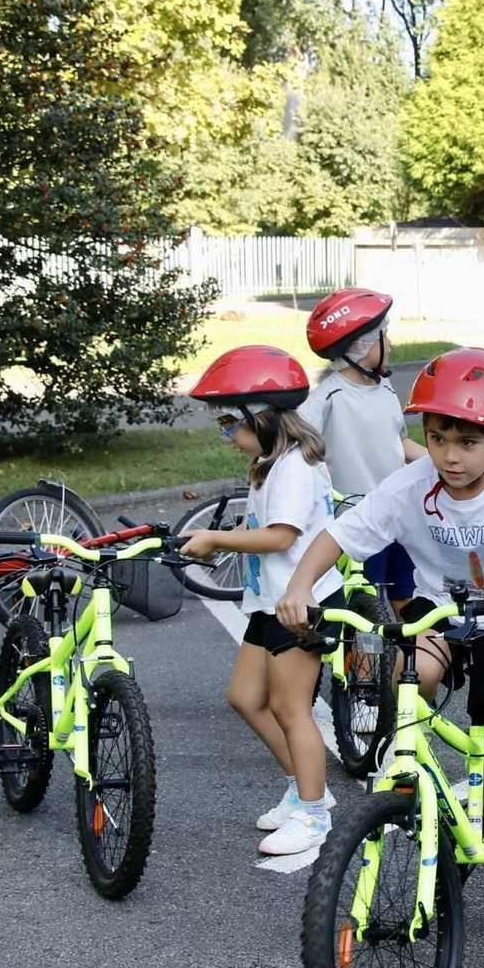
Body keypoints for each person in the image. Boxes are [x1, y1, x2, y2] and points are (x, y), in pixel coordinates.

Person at [275, 348, 484, 935]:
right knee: (413, 677)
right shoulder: (409, 485)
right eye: (437, 439)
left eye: (466, 442)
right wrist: (300, 586)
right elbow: (337, 535)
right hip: (436, 616)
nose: (449, 456)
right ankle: (411, 774)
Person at [182, 346, 341, 856]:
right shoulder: (270, 462)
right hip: (268, 600)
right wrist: (228, 536)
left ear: (265, 417)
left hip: (300, 603)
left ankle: (314, 815)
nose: (226, 434)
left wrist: (215, 539)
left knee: (292, 709)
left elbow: (280, 536)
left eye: (231, 422)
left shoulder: (293, 466)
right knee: (246, 698)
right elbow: (264, 529)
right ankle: (304, 788)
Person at [299, 287, 426, 612]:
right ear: (362, 345)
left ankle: (409, 657)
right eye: (385, 336)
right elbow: (296, 450)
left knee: (405, 593)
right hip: (358, 520)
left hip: (398, 512)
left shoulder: (384, 387)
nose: (391, 344)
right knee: (365, 603)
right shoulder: (327, 398)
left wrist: (438, 461)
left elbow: (398, 443)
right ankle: (366, 661)